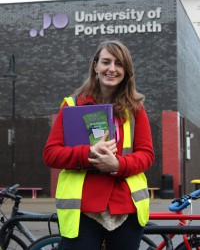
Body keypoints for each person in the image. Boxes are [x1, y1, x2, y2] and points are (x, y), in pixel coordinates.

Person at [43, 40, 155, 250]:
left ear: (126, 71)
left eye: (119, 64)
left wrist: (118, 165)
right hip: (83, 209)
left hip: (126, 207)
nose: (112, 69)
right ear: (95, 66)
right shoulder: (72, 105)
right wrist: (87, 154)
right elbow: (51, 154)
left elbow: (146, 155)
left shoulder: (135, 109)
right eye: (106, 62)